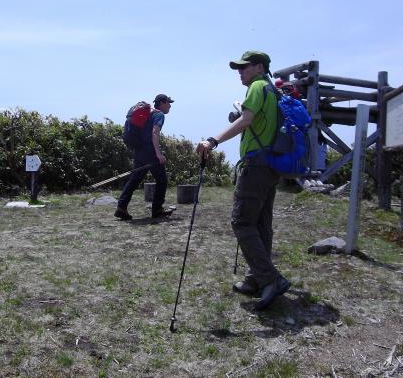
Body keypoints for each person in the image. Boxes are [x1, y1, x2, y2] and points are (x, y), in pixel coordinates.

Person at [196, 50, 290, 310]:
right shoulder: (273, 91)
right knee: (261, 224)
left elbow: (246, 120)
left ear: (259, 67)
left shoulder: (257, 87)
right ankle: (256, 279)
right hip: (271, 165)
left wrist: (213, 141)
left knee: (242, 222)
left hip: (256, 165)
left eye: (244, 67)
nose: (240, 71)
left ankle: (270, 279)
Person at [115, 94, 174, 220]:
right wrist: (158, 154)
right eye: (168, 103)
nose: (170, 106)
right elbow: (155, 133)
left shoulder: (148, 114)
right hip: (150, 151)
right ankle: (157, 210)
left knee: (135, 179)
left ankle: (121, 207)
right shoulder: (159, 114)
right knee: (162, 180)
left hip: (140, 150)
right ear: (162, 103)